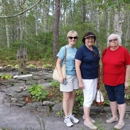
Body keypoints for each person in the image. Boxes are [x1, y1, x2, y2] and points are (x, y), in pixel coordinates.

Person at [102, 33, 130, 130]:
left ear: (118, 40)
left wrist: (126, 81)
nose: (113, 42)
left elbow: (128, 66)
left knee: (120, 100)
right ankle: (114, 116)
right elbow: (104, 64)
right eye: (110, 40)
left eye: (115, 39)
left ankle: (121, 121)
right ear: (108, 42)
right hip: (107, 81)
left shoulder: (124, 51)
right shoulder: (105, 51)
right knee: (112, 99)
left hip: (119, 81)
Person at [75, 32, 100, 130]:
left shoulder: (95, 49)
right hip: (86, 78)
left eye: (92, 38)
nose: (90, 40)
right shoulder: (81, 50)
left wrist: (98, 78)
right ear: (84, 40)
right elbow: (77, 66)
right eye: (88, 39)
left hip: (94, 77)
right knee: (88, 98)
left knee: (92, 96)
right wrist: (80, 81)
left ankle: (86, 116)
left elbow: (97, 63)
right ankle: (87, 121)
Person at [56, 30, 79, 127]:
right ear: (68, 38)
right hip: (66, 76)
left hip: (75, 76)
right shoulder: (64, 49)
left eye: (75, 37)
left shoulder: (76, 50)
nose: (73, 39)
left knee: (72, 96)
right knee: (66, 97)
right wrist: (60, 76)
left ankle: (70, 114)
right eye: (71, 37)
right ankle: (66, 117)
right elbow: (58, 63)